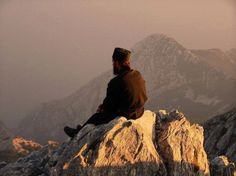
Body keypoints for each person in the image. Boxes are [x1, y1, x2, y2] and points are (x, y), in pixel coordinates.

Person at [64, 47, 148, 138]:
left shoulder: (116, 82)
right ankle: (84, 128)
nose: (113, 65)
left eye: (113, 62)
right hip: (140, 111)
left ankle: (78, 133)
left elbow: (109, 106)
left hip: (127, 115)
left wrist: (102, 108)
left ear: (116, 63)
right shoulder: (137, 74)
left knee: (97, 116)